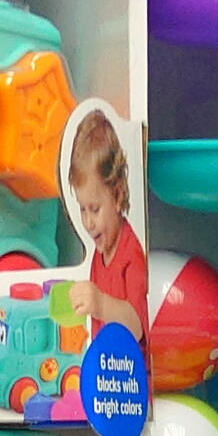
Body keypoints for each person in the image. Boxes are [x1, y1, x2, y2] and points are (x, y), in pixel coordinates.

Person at [66, 110, 148, 342]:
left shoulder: (131, 255)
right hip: (106, 360)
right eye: (83, 209)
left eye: (94, 209)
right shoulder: (99, 256)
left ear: (118, 196)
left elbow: (137, 326)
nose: (88, 222)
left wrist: (100, 304)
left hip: (130, 364)